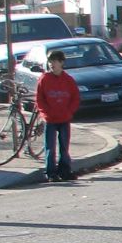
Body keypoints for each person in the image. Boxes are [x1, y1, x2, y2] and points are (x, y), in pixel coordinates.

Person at [34, 49, 81, 182]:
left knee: (64, 147)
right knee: (50, 147)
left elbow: (75, 98)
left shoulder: (68, 80)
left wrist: (69, 111)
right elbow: (39, 99)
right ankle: (50, 172)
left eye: (54, 61)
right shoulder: (44, 79)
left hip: (64, 118)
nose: (51, 64)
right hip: (50, 119)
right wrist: (45, 112)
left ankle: (65, 170)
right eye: (50, 61)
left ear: (61, 63)